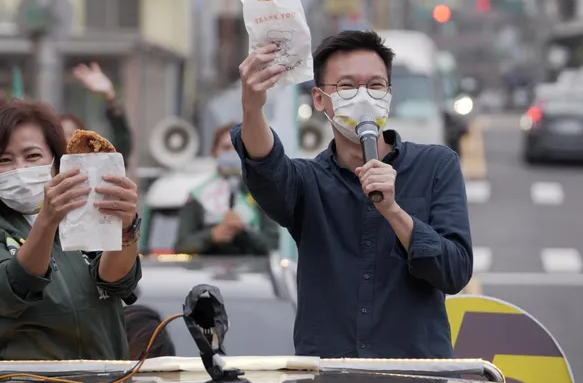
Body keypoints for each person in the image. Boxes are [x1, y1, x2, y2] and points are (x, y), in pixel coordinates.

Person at [232, 30, 472, 359]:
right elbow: (266, 167)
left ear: (389, 94)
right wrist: (252, 107)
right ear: (319, 99)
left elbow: (455, 271)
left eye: (375, 85)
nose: (363, 97)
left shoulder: (436, 165)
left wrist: (394, 212)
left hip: (415, 380)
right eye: (346, 86)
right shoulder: (308, 181)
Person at [0, 99, 143, 361]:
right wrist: (47, 220)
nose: (20, 169)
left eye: (32, 156)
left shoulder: (86, 221)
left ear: (58, 163)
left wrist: (125, 227)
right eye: (4, 160)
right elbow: (15, 286)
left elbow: (116, 281)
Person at [174, 123, 280, 255]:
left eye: (238, 148)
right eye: (226, 147)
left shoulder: (261, 194)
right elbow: (181, 245)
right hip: (206, 272)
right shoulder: (198, 195)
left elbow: (272, 244)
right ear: (214, 151)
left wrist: (244, 230)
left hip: (251, 272)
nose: (232, 153)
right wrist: (212, 235)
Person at [60, 62, 133, 165]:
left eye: (71, 135)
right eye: (60, 135)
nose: (67, 141)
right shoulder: (48, 170)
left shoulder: (95, 167)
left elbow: (122, 142)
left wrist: (110, 96)